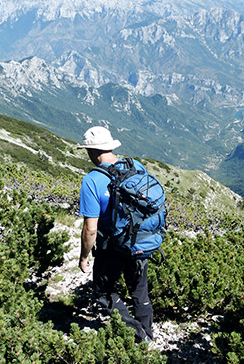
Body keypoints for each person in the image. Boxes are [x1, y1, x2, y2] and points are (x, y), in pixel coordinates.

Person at [77, 125, 154, 344]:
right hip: (140, 240)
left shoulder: (91, 180)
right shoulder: (135, 165)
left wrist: (84, 257)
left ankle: (138, 334)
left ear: (92, 151)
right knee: (140, 293)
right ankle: (148, 336)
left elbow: (90, 229)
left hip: (111, 246)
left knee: (103, 293)